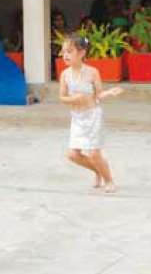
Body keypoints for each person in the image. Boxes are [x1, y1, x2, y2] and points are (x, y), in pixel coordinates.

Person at [59, 34, 123, 193]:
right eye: (63, 51)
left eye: (69, 51)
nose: (65, 55)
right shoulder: (65, 75)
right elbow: (62, 98)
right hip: (77, 118)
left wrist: (110, 93)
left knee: (94, 153)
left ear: (81, 53)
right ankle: (97, 171)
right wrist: (75, 99)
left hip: (93, 116)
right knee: (73, 155)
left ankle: (109, 180)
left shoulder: (92, 72)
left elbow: (98, 95)